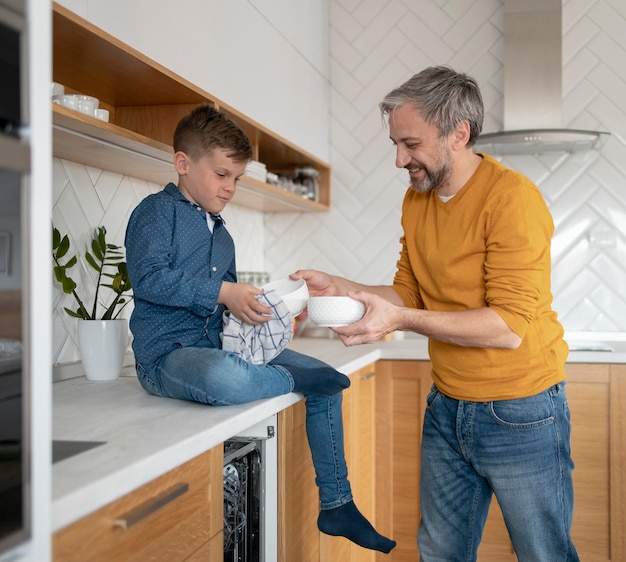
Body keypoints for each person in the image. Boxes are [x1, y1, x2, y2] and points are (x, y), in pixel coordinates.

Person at [292, 66, 579, 561]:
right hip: (447, 407)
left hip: (521, 411)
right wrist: (346, 287)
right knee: (440, 553)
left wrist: (400, 321)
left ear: (459, 134)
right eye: (395, 144)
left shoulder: (512, 199)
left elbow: (508, 328)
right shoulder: (417, 199)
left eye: (411, 144)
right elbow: (409, 292)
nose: (400, 159)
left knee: (543, 554)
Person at [124, 104, 395, 554]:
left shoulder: (223, 235)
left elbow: (230, 310)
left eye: (236, 178)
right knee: (221, 377)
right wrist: (224, 291)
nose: (230, 188)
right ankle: (296, 381)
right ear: (182, 163)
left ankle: (337, 504)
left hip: (219, 344)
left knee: (324, 377)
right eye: (222, 174)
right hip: (167, 357)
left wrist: (264, 309)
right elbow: (149, 279)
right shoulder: (156, 213)